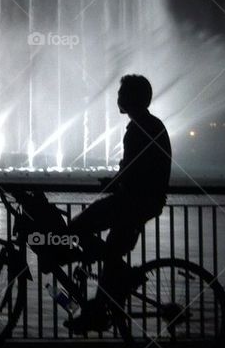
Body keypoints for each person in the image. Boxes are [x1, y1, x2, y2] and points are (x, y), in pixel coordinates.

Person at [64, 74, 172, 333]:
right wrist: (116, 181)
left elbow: (133, 170)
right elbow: (136, 168)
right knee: (112, 252)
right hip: (144, 201)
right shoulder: (150, 124)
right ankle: (104, 300)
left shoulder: (138, 128)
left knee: (77, 227)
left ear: (132, 98)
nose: (117, 99)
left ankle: (117, 283)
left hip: (133, 202)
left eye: (122, 94)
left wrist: (113, 183)